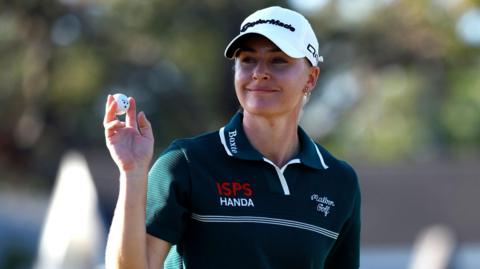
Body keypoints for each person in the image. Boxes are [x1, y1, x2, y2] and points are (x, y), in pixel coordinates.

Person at [103, 6, 361, 269]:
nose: (259, 72)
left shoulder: (339, 182)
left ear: (311, 78)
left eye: (278, 60)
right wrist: (132, 174)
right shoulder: (185, 163)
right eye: (247, 59)